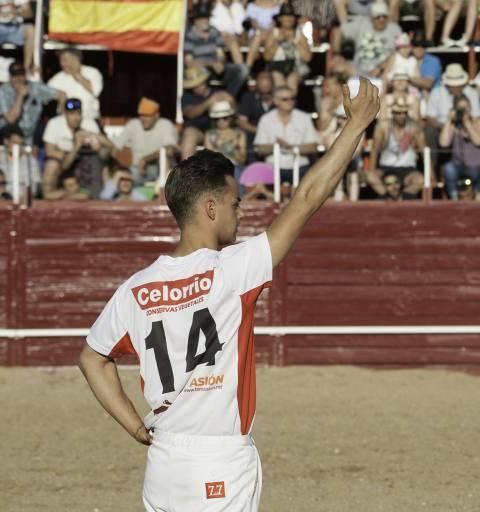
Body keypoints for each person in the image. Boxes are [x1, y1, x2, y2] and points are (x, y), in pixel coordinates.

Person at [78, 77, 380, 511]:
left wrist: (135, 427)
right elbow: (309, 198)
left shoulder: (136, 288)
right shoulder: (232, 270)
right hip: (219, 459)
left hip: (164, 464)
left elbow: (92, 358)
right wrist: (354, 127)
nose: (241, 213)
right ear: (211, 208)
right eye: (236, 204)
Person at [42, 97, 113, 199]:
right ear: (65, 114)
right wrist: (74, 149)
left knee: (103, 159)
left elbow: (109, 146)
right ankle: (49, 195)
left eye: (78, 113)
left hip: (87, 159)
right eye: (72, 114)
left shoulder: (88, 123)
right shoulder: (54, 123)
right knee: (51, 164)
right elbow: (50, 151)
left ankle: (105, 196)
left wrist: (91, 135)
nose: (76, 117)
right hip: (63, 160)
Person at [254, 86, 319, 184]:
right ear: (275, 101)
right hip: (273, 166)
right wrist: (276, 145)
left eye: (292, 98)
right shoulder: (266, 119)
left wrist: (290, 147)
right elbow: (260, 149)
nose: (290, 101)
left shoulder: (304, 118)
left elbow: (313, 147)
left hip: (300, 166)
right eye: (285, 99)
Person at [184, 3, 249, 97]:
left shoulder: (214, 31)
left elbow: (220, 54)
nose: (205, 21)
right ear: (195, 20)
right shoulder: (190, 36)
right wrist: (209, 63)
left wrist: (220, 62)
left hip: (216, 68)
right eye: (202, 18)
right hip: (200, 70)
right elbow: (189, 62)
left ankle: (228, 97)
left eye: (207, 18)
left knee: (243, 69)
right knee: (199, 72)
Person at [439, 95, 480, 200]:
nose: (464, 111)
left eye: (467, 108)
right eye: (461, 108)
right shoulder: (453, 124)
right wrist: (449, 120)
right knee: (448, 169)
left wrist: (467, 124)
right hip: (460, 166)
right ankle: (454, 196)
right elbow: (443, 143)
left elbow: (478, 141)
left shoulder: (479, 121)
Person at [367, 98, 426, 199]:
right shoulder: (383, 127)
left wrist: (431, 176)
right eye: (398, 113)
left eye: (404, 113)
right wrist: (372, 170)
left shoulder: (414, 128)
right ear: (393, 113)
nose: (401, 116)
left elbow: (425, 152)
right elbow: (374, 150)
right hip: (386, 168)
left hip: (407, 170)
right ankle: (387, 197)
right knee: (370, 176)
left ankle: (403, 198)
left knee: (420, 180)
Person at [113, 98, 179, 186]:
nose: (143, 118)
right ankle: (105, 199)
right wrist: (117, 167)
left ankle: (163, 193)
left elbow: (170, 150)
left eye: (147, 115)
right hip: (137, 170)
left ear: (157, 115)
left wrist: (145, 159)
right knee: (118, 176)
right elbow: (115, 146)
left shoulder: (166, 125)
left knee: (164, 159)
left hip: (160, 170)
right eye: (141, 115)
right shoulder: (133, 124)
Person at [0, 61, 63, 146]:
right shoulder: (3, 91)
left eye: (21, 75)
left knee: (44, 128)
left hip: (32, 135)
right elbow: (11, 119)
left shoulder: (35, 87)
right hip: (9, 136)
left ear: (25, 75)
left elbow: (62, 95)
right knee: (8, 130)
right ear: (10, 77)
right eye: (15, 75)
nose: (18, 79)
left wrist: (59, 115)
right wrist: (20, 96)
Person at [333, 2, 402, 77]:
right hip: (358, 69)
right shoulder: (362, 24)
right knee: (338, 67)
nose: (381, 20)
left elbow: (399, 53)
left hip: (384, 71)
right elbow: (337, 31)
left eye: (384, 16)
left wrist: (380, 68)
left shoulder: (394, 29)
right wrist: (337, 54)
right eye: (378, 17)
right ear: (371, 18)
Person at [180, 66, 235, 159]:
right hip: (197, 131)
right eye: (194, 85)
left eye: (200, 83)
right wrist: (209, 102)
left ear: (205, 81)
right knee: (189, 133)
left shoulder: (219, 92)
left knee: (222, 134)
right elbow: (190, 113)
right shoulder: (187, 96)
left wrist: (231, 101)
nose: (197, 87)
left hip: (218, 129)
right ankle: (187, 170)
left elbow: (234, 111)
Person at [263, 3, 312, 94]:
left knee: (292, 79)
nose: (289, 19)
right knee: (278, 78)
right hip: (277, 66)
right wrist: (278, 42)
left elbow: (307, 58)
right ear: (280, 19)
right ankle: (281, 104)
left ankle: (289, 104)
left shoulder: (300, 35)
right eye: (286, 16)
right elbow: (267, 57)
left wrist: (295, 42)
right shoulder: (273, 34)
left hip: (297, 66)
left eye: (291, 16)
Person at [47, 48, 103, 121]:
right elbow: (45, 94)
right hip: (65, 121)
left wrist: (77, 75)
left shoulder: (92, 72)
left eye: (65, 60)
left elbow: (96, 91)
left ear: (76, 59)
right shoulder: (59, 77)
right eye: (60, 60)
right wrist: (59, 95)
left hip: (89, 118)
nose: (61, 64)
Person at [0, 123, 40, 197]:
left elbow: (34, 188)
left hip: (22, 200)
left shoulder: (30, 161)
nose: (18, 147)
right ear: (6, 141)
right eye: (15, 143)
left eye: (20, 144)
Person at [0, 0, 34, 76]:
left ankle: (26, 69)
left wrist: (14, 13)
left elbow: (28, 13)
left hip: (16, 27)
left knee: (31, 30)